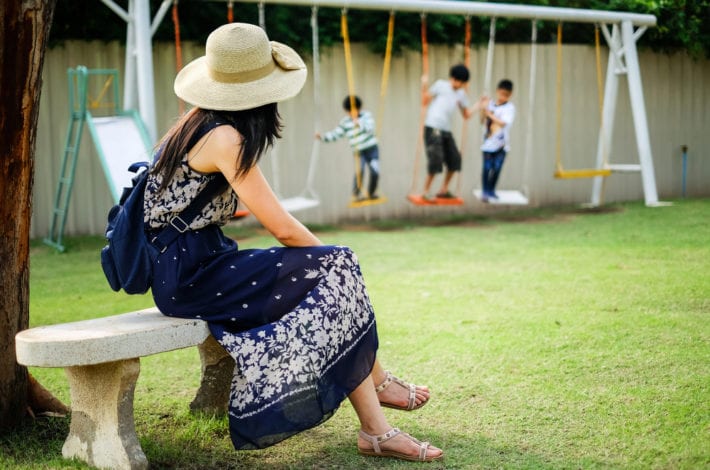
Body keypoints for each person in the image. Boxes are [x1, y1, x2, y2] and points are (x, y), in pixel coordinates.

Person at [143, 23, 443, 462]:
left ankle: (375, 425)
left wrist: (333, 264)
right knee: (337, 268)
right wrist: (334, 260)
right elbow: (281, 228)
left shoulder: (194, 124)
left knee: (334, 281)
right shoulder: (225, 138)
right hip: (190, 277)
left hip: (195, 265)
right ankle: (379, 400)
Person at [419, 64, 480, 201]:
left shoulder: (461, 94)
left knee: (455, 160)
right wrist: (424, 85)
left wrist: (479, 105)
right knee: (436, 159)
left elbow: (467, 114)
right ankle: (426, 192)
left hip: (446, 130)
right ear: (453, 78)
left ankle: (443, 190)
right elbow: (424, 101)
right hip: (433, 127)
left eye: (463, 83)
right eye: (460, 82)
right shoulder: (440, 85)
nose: (461, 85)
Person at [317, 95, 381, 202]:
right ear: (347, 111)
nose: (352, 113)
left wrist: (359, 123)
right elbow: (336, 134)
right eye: (350, 111)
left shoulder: (367, 116)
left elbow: (370, 129)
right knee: (359, 171)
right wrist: (323, 137)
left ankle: (371, 193)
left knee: (375, 171)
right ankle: (356, 194)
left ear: (359, 108)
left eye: (355, 110)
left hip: (372, 150)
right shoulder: (346, 122)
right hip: (358, 152)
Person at [480, 79, 515, 201]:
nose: (503, 97)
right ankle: (485, 191)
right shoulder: (490, 105)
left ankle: (491, 190)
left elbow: (503, 123)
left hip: (501, 144)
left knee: (497, 168)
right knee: (487, 167)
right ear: (497, 91)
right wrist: (483, 109)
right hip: (488, 144)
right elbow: (482, 120)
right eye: (501, 93)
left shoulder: (509, 108)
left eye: (506, 95)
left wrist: (489, 113)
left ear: (510, 95)